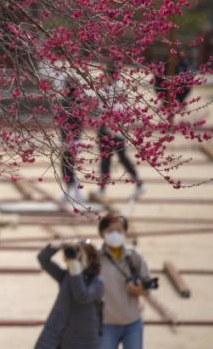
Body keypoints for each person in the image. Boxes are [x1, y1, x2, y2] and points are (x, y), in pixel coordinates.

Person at [98, 213, 156, 349]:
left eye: (119, 231)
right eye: (110, 231)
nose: (115, 234)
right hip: (106, 324)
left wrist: (139, 289)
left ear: (125, 233)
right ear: (102, 233)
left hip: (133, 323)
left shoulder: (134, 256)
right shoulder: (96, 259)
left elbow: (149, 285)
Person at [35, 239, 104, 349]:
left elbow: (82, 296)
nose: (76, 256)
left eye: (79, 252)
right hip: (57, 338)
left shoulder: (97, 281)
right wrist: (60, 245)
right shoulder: (66, 276)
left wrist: (74, 268)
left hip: (83, 341)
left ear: (90, 258)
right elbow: (43, 259)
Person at [97, 67, 144, 201]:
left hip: (111, 130)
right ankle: (138, 183)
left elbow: (107, 110)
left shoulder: (113, 90)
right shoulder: (118, 89)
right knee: (115, 158)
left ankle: (103, 189)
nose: (103, 78)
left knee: (109, 159)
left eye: (105, 75)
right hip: (115, 130)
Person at [59, 76, 86, 204]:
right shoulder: (76, 102)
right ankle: (73, 191)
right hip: (72, 139)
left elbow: (66, 124)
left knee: (67, 166)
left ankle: (76, 192)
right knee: (68, 166)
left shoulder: (69, 103)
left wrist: (67, 140)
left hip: (71, 140)